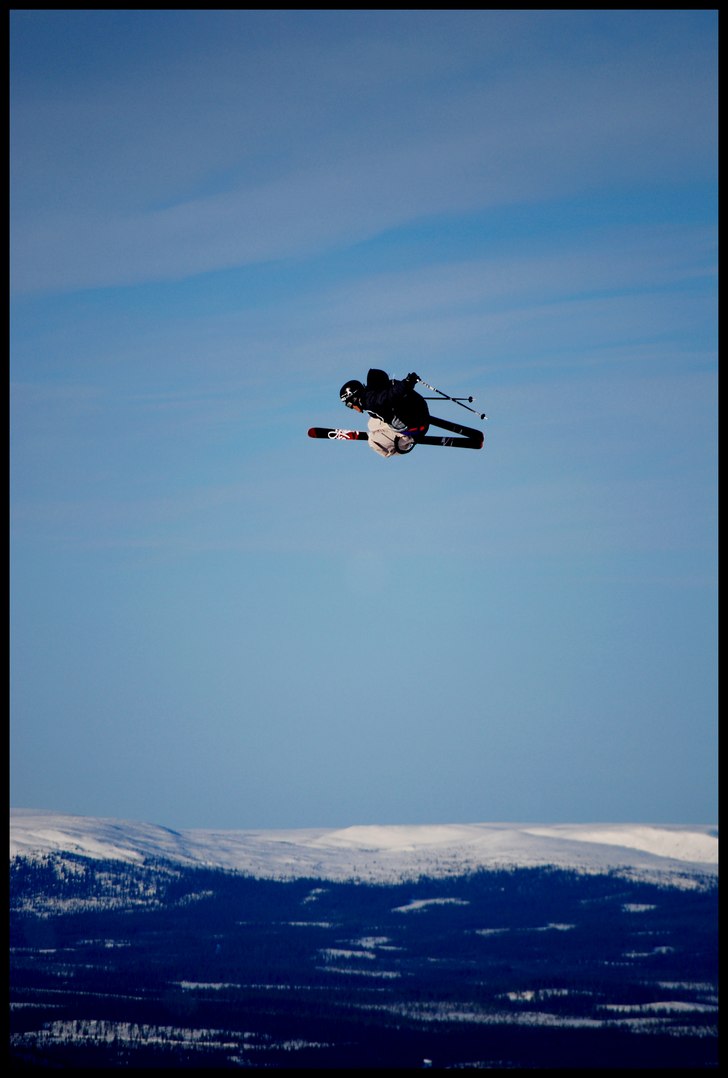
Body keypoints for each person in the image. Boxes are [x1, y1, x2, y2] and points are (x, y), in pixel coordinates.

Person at [339, 368, 430, 457]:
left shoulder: (371, 402)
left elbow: (388, 396)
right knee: (371, 424)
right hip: (416, 415)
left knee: (372, 441)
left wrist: (406, 383)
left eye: (349, 405)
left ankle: (405, 443)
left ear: (354, 398)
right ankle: (386, 435)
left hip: (414, 428)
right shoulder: (370, 393)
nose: (351, 408)